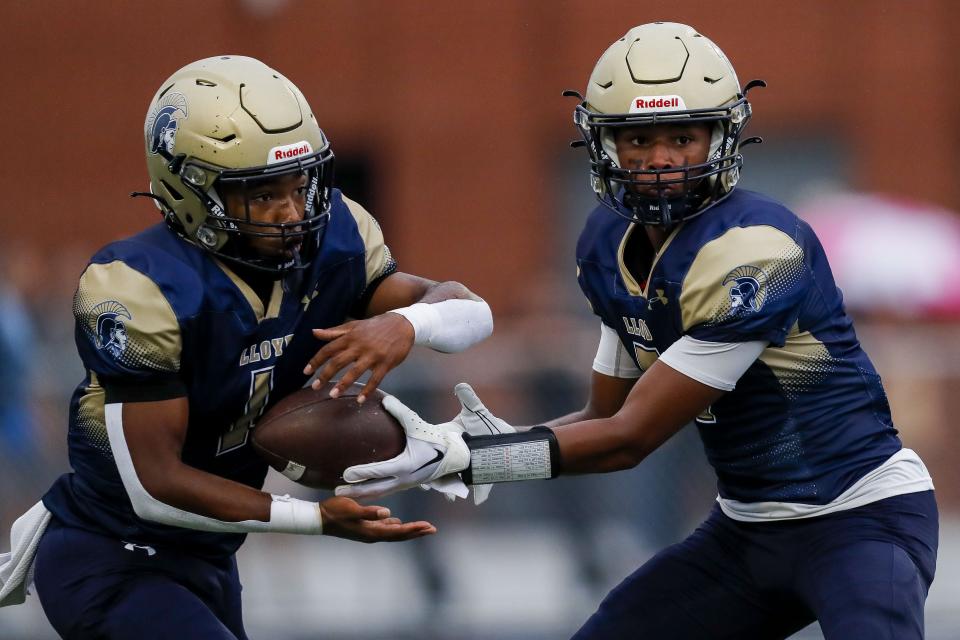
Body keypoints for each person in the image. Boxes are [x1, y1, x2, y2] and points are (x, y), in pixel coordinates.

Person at [336, 23, 939, 640]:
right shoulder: (606, 244)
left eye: (682, 136)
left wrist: (471, 460)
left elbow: (631, 439)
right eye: (638, 139)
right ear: (604, 146)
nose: (659, 159)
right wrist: (486, 446)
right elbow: (603, 414)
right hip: (746, 531)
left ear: (721, 137)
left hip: (861, 520)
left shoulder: (756, 249)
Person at [0, 55, 493, 638]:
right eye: (262, 195)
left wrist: (407, 323)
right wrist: (313, 519)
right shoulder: (139, 285)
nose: (291, 212)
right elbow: (153, 485)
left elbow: (471, 310)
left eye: (298, 186)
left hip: (210, 554)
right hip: (113, 555)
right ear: (190, 192)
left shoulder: (334, 240)